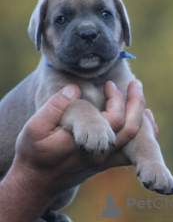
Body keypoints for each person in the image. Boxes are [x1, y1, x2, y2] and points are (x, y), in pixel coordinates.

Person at [0, 80, 158, 222]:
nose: (88, 45)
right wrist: (31, 183)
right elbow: (57, 116)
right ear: (40, 44)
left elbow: (134, 123)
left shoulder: (120, 76)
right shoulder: (49, 78)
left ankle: (46, 214)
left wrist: (152, 161)